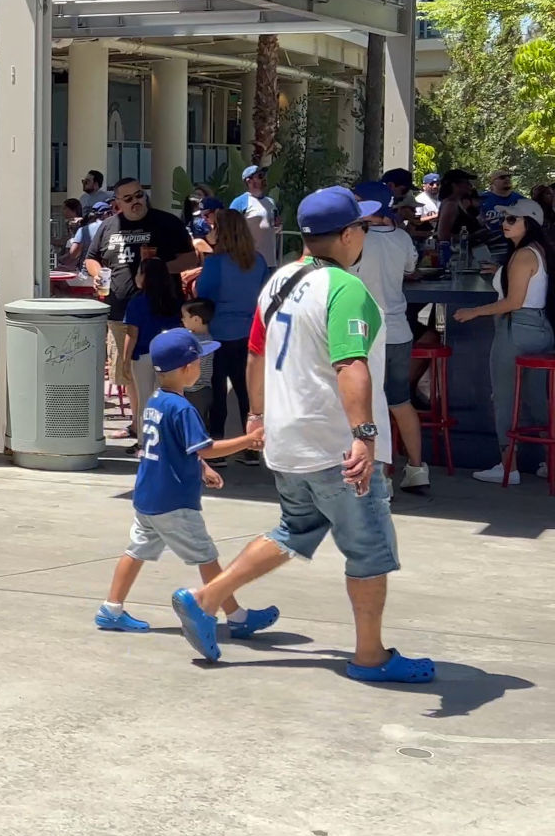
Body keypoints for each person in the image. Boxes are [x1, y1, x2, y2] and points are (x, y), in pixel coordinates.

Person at [172, 187, 430, 683]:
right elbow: (350, 364)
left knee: (295, 528)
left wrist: (256, 417)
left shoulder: (280, 281)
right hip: (334, 443)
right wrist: (365, 434)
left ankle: (205, 599)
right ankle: (370, 656)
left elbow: (255, 354)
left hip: (289, 442)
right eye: (364, 228)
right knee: (369, 549)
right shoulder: (345, 289)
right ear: (350, 234)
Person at [94, 329, 274, 636]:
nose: (202, 367)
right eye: (199, 361)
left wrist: (201, 467)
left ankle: (111, 609)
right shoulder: (183, 408)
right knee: (206, 557)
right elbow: (205, 446)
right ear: (186, 369)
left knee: (136, 550)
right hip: (174, 501)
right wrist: (248, 440)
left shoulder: (156, 401)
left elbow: (178, 447)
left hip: (148, 497)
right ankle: (237, 616)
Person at [455, 200, 552, 485]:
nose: (505, 223)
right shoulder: (536, 252)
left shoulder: (522, 255)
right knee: (537, 400)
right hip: (539, 328)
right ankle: (549, 459)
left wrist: (473, 312)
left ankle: (508, 465)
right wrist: (499, 270)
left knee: (504, 397)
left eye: (512, 219)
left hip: (516, 328)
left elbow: (513, 302)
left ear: (529, 222)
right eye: (505, 218)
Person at [87, 178, 197, 399]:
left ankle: (165, 421)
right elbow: (91, 259)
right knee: (130, 376)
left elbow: (191, 259)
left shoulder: (167, 222)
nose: (136, 201)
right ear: (117, 202)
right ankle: (138, 425)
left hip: (162, 311)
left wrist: (158, 269)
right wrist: (97, 274)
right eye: (128, 198)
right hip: (120, 313)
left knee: (168, 372)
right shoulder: (108, 226)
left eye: (139, 195)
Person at [351, 182, 428, 494]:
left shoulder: (356, 239)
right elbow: (411, 267)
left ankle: (380, 475)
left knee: (368, 406)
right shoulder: (401, 236)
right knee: (400, 402)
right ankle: (416, 469)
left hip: (365, 332)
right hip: (399, 329)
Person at [193, 209, 270, 459]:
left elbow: (202, 294)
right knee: (246, 392)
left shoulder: (215, 263)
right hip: (248, 333)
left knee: (218, 393)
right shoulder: (257, 260)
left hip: (218, 333)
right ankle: (252, 447)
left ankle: (218, 449)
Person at [123, 258, 187, 432]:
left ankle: (145, 442)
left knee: (145, 399)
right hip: (169, 356)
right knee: (167, 398)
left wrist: (125, 360)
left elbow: (132, 334)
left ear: (145, 277)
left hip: (143, 355)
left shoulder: (136, 302)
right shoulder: (175, 301)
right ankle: (166, 439)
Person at [230, 164, 282, 265]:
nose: (264, 179)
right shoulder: (239, 202)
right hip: (249, 262)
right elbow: (230, 230)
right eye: (260, 176)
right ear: (248, 181)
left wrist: (278, 226)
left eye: (264, 176)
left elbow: (275, 228)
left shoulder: (271, 202)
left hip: (270, 261)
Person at [480, 169, 527, 258]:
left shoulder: (521, 200)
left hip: (516, 248)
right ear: (492, 182)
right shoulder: (482, 199)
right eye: (502, 177)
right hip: (490, 250)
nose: (507, 179)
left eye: (509, 177)